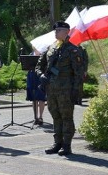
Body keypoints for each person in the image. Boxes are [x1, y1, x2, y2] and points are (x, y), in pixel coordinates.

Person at [35, 21, 86, 155]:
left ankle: (67, 145)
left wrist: (76, 91)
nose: (56, 33)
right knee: (55, 115)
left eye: (58, 30)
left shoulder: (73, 50)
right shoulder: (51, 48)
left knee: (66, 117)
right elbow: (39, 65)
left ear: (66, 32)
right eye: (55, 30)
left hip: (66, 89)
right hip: (51, 89)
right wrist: (41, 75)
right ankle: (57, 143)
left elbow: (78, 73)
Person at [25, 52, 47, 125]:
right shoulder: (31, 55)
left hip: (40, 76)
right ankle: (35, 117)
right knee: (33, 97)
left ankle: (40, 117)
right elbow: (26, 66)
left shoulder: (44, 54)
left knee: (41, 97)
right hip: (31, 77)